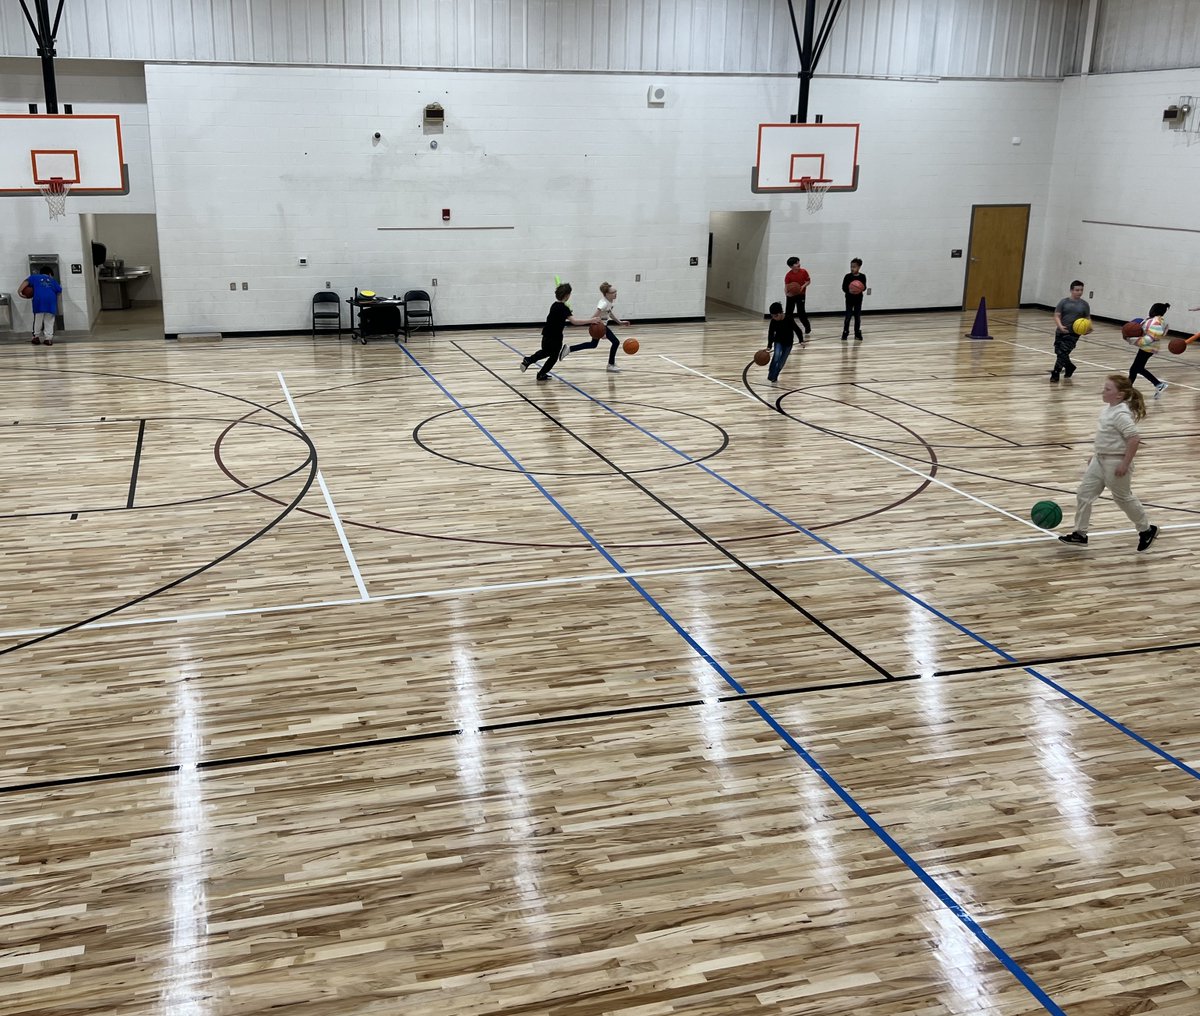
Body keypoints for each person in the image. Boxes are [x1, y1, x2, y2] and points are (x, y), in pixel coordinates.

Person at [1058, 374, 1158, 552]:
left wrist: (1125, 463)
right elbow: (1106, 436)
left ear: (1119, 395)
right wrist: (1096, 454)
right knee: (1084, 494)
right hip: (1099, 460)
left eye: (1107, 389)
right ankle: (1080, 534)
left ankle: (1146, 529)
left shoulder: (1121, 414)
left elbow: (1134, 439)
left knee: (1123, 498)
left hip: (1116, 463)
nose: (1103, 391)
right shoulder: (1107, 410)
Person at [519, 283, 594, 380]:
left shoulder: (554, 305)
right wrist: (591, 320)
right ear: (567, 295)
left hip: (546, 334)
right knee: (553, 357)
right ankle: (540, 372)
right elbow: (574, 321)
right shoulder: (564, 308)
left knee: (545, 352)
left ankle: (529, 360)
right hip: (555, 336)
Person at [560, 281, 627, 373]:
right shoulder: (603, 304)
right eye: (613, 292)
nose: (615, 294)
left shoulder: (610, 302)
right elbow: (594, 317)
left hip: (602, 326)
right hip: (599, 326)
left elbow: (609, 313)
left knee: (593, 344)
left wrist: (619, 322)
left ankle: (569, 349)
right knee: (616, 342)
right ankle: (610, 365)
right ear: (606, 294)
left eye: (616, 292)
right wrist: (602, 332)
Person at [1126, 302, 1170, 399]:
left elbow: (1151, 337)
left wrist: (1135, 341)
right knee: (1138, 368)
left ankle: (1127, 391)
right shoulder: (1156, 320)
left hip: (1148, 348)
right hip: (1149, 348)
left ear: (1154, 310)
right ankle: (1158, 384)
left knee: (1134, 369)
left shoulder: (1156, 322)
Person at [1051, 280, 1089, 382]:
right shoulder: (1063, 302)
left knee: (1063, 352)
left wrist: (1088, 328)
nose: (1079, 292)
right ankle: (1070, 366)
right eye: (1077, 290)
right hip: (1060, 331)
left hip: (1073, 334)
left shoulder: (1084, 305)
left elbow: (1087, 319)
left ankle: (1056, 373)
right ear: (1071, 290)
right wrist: (1060, 326)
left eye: (1081, 290)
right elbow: (1057, 315)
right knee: (1058, 352)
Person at [25, 271, 62, 346]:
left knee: (38, 320)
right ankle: (48, 339)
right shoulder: (53, 280)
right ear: (50, 274)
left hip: (39, 302)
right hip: (50, 303)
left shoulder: (34, 277)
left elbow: (25, 283)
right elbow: (59, 291)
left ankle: (36, 337)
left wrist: (20, 293)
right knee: (49, 321)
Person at [764, 301, 793, 384]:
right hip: (778, 341)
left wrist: (801, 340)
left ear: (781, 313)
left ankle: (775, 376)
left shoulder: (789, 318)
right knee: (776, 357)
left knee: (782, 362)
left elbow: (797, 329)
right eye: (772, 316)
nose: (774, 318)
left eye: (776, 316)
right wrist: (769, 345)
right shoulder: (773, 321)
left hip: (788, 343)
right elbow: (771, 333)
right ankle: (771, 374)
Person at [783, 256, 810, 343]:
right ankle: (788, 328)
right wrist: (787, 293)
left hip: (801, 294)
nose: (799, 264)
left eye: (799, 262)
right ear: (791, 266)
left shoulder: (804, 272)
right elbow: (786, 287)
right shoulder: (788, 275)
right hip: (791, 295)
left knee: (801, 313)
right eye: (796, 263)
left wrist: (802, 287)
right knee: (788, 313)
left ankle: (807, 326)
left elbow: (808, 281)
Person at [841, 258, 866, 341]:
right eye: (851, 267)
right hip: (849, 299)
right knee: (848, 317)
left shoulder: (862, 276)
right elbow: (843, 287)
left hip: (858, 299)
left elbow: (864, 288)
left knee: (857, 317)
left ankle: (857, 333)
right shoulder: (847, 276)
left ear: (859, 267)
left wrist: (860, 288)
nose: (852, 268)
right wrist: (850, 290)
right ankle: (845, 332)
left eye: (854, 267)